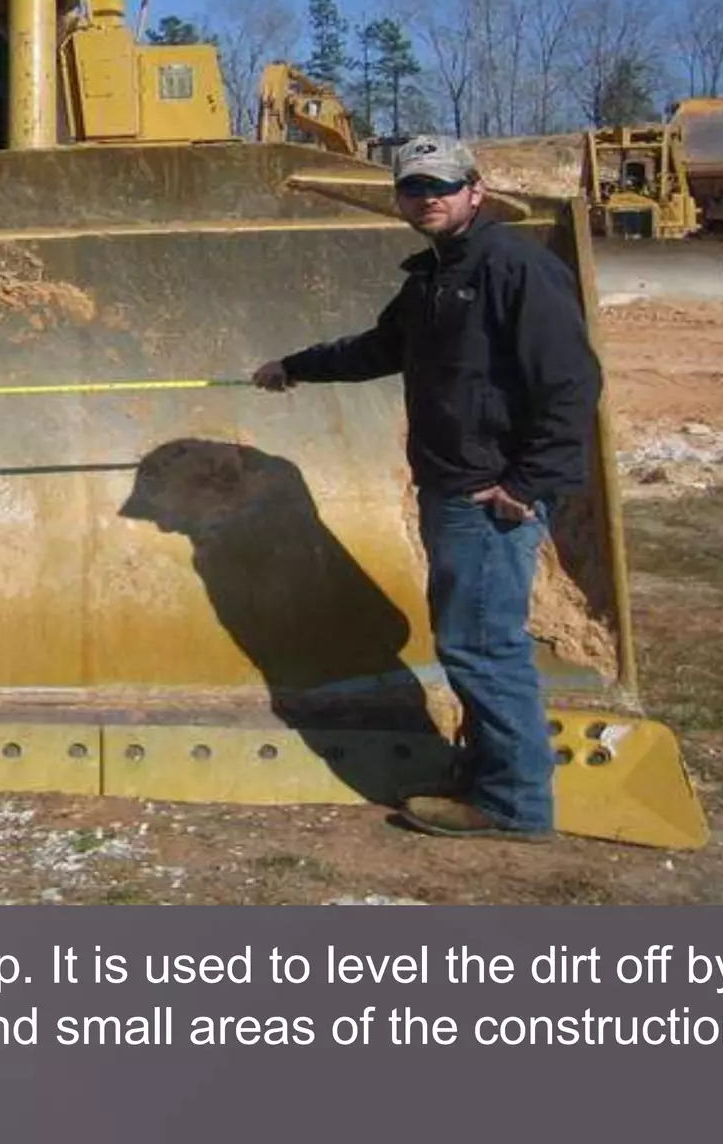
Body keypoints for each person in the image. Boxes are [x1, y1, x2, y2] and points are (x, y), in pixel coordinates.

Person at [250, 134, 603, 842]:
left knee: (482, 645)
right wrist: (296, 366)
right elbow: (381, 349)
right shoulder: (435, 277)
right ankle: (485, 775)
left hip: (487, 496)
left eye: (443, 185)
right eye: (415, 187)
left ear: (476, 190)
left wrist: (525, 484)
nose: (429, 198)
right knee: (469, 639)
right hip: (454, 487)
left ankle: (513, 805)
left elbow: (572, 383)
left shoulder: (515, 269)